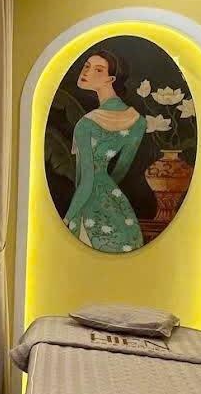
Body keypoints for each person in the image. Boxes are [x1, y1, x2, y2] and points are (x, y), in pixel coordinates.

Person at [62, 49, 146, 253]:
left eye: (98, 70)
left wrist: (68, 217)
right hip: (115, 201)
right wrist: (107, 192)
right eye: (87, 66)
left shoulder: (86, 124)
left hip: (87, 202)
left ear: (111, 79)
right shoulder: (138, 121)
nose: (87, 72)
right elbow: (121, 169)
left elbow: (86, 180)